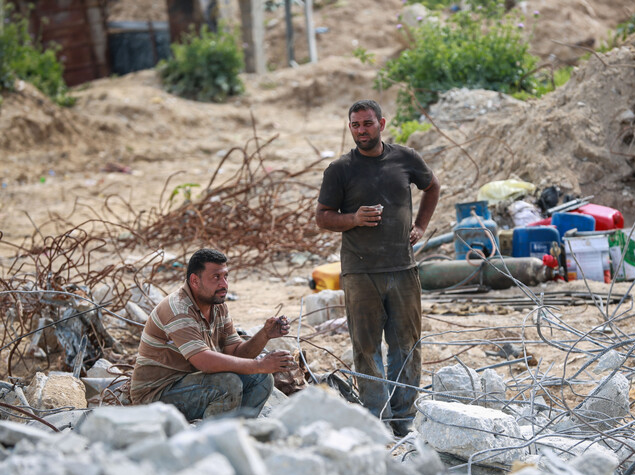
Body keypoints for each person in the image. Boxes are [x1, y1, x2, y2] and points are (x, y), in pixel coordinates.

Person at [315, 99, 440, 437]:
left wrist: (421, 226)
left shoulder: (405, 158)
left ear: (381, 124)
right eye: (355, 125)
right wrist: (353, 218)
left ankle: (403, 420)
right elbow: (323, 216)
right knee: (366, 348)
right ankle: (377, 421)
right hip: (359, 272)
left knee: (407, 345)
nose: (361, 131)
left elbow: (432, 187)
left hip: (402, 269)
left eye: (367, 124)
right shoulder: (340, 170)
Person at [130, 248, 298, 420]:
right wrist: (260, 364)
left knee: (261, 378)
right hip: (155, 396)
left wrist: (264, 335)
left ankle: (239, 431)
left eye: (225, 276)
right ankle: (212, 440)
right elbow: (204, 361)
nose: (224, 284)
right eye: (216, 277)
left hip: (194, 384)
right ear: (195, 281)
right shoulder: (178, 309)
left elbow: (235, 353)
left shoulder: (217, 305)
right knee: (227, 384)